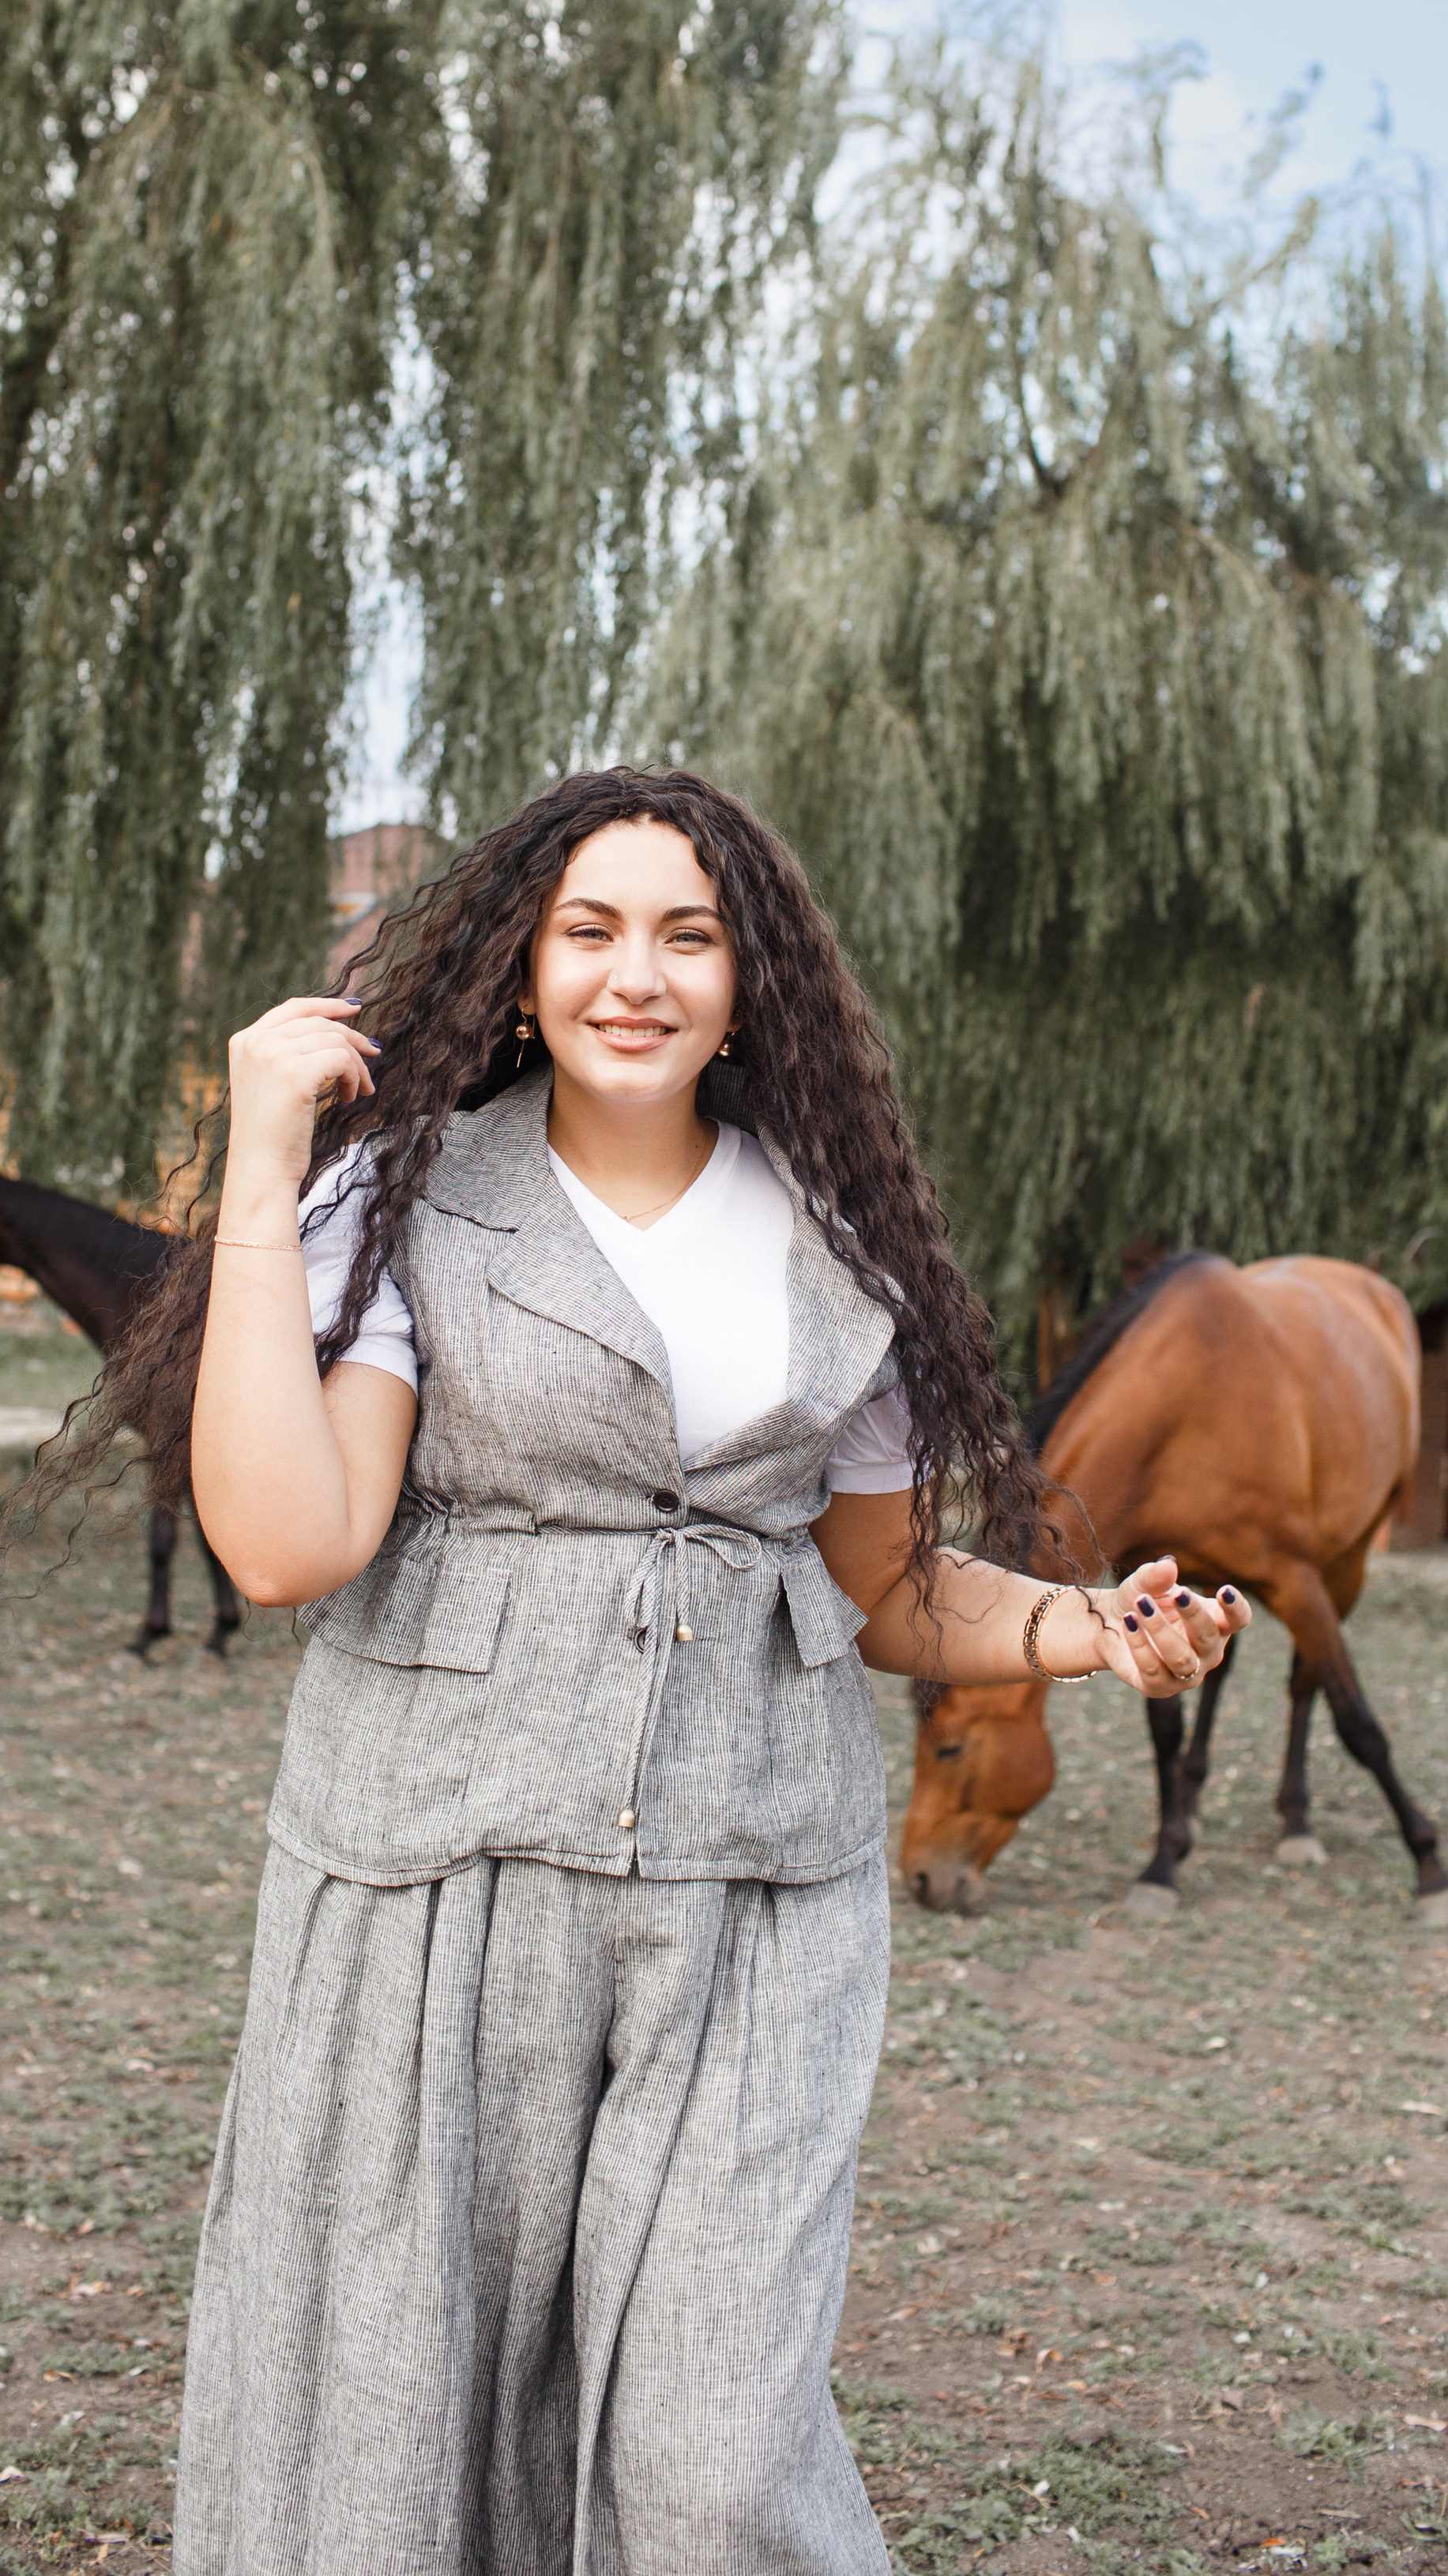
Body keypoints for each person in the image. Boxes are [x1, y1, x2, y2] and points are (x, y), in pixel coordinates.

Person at [92, 767, 1247, 2576]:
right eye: (591, 930)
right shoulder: (406, 1205)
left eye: (687, 936)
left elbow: (877, 1587)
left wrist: (1076, 1630)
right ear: (522, 969)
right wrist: (260, 1164)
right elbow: (284, 1542)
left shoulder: (831, 1239)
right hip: (436, 1885)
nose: (637, 975)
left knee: (718, 2469)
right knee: (402, 2437)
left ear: (746, 981)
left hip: (756, 1909)